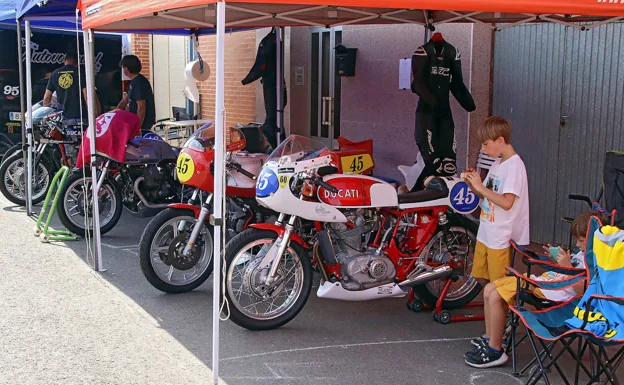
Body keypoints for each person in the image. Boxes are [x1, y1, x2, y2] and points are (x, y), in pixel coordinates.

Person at [464, 210, 608, 368]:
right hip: (546, 283)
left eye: (581, 240)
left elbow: (584, 291)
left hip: (551, 294)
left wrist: (566, 267)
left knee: (496, 295)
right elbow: (571, 271)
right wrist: (559, 262)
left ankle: (495, 350)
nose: (578, 245)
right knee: (490, 288)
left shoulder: (597, 261)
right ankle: (491, 339)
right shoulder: (582, 254)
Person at [463, 116, 530, 288]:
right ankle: (494, 306)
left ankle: (503, 310)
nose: (483, 149)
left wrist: (480, 187)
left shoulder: (515, 166)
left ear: (500, 140)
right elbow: (485, 195)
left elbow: (507, 203)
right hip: (486, 231)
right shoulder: (498, 163)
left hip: (500, 236)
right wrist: (472, 184)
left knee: (499, 284)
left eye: (486, 144)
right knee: (480, 275)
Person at [43, 49, 100, 122]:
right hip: (80, 117)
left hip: (62, 118)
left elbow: (47, 98)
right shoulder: (80, 73)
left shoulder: (55, 74)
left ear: (64, 60)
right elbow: (87, 96)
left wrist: (46, 116)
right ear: (77, 62)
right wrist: (94, 116)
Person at [116, 55, 155, 131]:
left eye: (123, 67)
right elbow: (124, 101)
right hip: (133, 121)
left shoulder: (139, 83)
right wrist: (115, 113)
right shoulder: (133, 82)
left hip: (143, 124)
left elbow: (141, 107)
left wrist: (138, 127)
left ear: (127, 68)